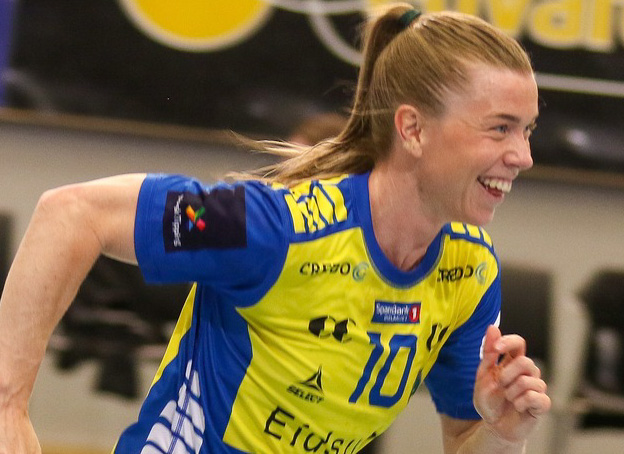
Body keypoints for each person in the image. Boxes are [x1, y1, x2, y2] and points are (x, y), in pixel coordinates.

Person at [0, 3, 551, 453]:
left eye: (526, 130)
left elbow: (463, 441)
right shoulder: (274, 229)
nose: (522, 156)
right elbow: (72, 213)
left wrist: (503, 434)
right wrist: (8, 407)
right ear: (412, 129)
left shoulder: (470, 269)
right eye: (499, 128)